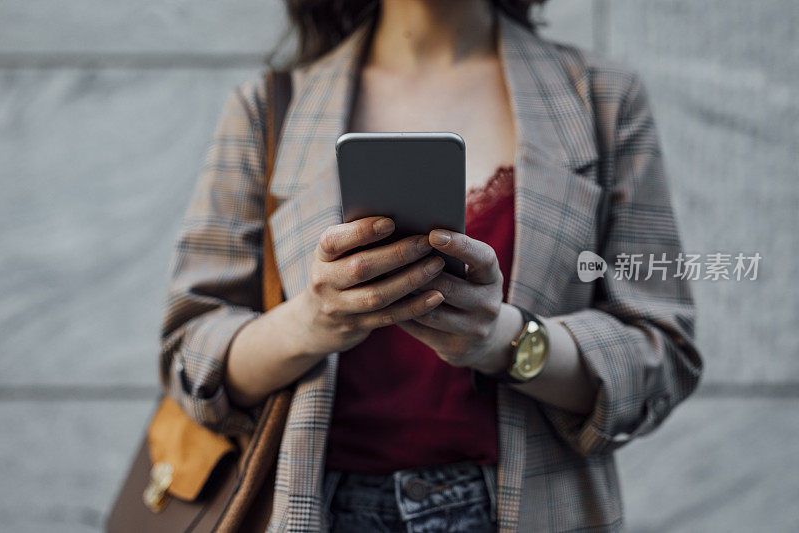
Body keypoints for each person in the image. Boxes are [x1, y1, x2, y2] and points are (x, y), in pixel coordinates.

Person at [158, 0, 703, 531]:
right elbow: (191, 351)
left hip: (530, 506)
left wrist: (503, 341)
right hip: (315, 506)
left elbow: (661, 349)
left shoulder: (602, 99)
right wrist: (313, 322)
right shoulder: (266, 108)